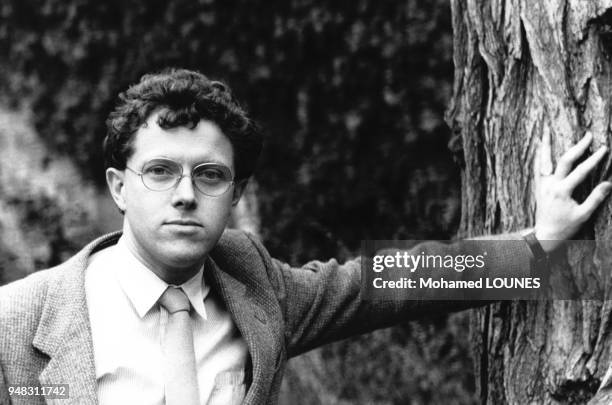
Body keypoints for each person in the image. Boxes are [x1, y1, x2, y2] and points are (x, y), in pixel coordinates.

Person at [0, 68, 610, 405]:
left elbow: (384, 285)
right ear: (118, 186)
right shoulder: (18, 323)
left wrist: (539, 245)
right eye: (160, 171)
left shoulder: (253, 285)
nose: (185, 194)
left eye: (210, 175)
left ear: (235, 195)